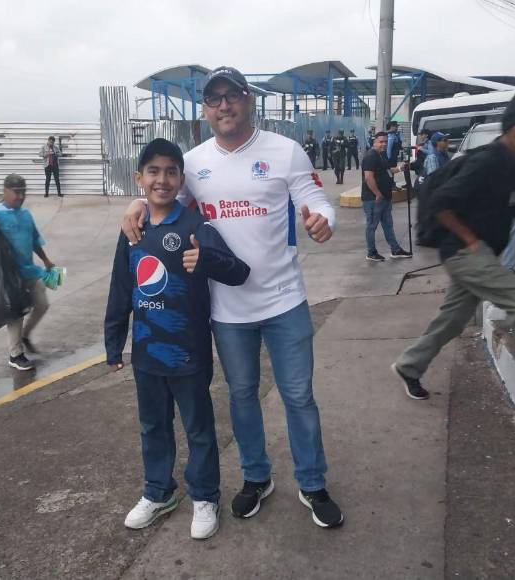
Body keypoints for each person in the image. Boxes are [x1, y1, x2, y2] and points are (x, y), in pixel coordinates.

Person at [121, 66, 344, 529]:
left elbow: (316, 199)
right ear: (205, 109)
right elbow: (162, 196)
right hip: (227, 309)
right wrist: (136, 204)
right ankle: (256, 477)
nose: (224, 105)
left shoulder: (285, 152)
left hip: (284, 299)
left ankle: (312, 482)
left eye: (233, 95)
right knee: (241, 396)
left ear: (249, 100)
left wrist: (324, 220)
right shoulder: (196, 163)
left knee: (298, 395)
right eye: (214, 98)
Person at [392, 92, 515, 410]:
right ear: (512, 126)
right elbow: (442, 203)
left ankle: (408, 366)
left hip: (480, 254)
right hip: (464, 253)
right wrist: (470, 241)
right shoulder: (487, 160)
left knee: (453, 320)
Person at [105, 138, 250, 540]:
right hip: (146, 354)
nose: (162, 180)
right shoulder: (133, 229)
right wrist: (113, 340)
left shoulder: (197, 227)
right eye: (153, 171)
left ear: (181, 179)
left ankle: (205, 496)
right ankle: (158, 491)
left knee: (199, 429)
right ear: (139, 179)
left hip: (189, 354)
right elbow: (120, 288)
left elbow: (239, 272)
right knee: (153, 427)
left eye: (171, 171)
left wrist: (207, 260)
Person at [0, 174, 55, 371]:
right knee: (15, 313)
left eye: (23, 193)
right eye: (16, 192)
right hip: (8, 275)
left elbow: (34, 240)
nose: (20, 197)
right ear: (5, 191)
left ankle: (25, 335)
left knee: (42, 304)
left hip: (29, 271)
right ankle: (15, 354)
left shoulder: (25, 215)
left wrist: (45, 259)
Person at [361, 132, 412, 261]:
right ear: (374, 142)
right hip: (373, 199)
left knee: (388, 225)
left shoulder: (382, 155)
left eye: (385, 142)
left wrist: (400, 168)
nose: (383, 144)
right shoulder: (370, 156)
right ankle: (371, 252)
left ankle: (395, 250)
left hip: (385, 197)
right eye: (381, 141)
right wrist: (377, 194)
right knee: (371, 226)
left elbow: (387, 170)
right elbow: (368, 177)